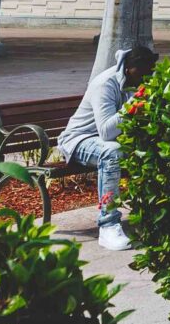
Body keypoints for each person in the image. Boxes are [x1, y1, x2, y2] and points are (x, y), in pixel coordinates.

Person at [58, 41, 156, 251]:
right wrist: (132, 107)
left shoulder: (137, 80)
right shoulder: (106, 84)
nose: (146, 80)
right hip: (80, 139)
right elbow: (105, 131)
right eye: (143, 74)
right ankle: (108, 225)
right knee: (112, 153)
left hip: (108, 141)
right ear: (130, 69)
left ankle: (151, 214)